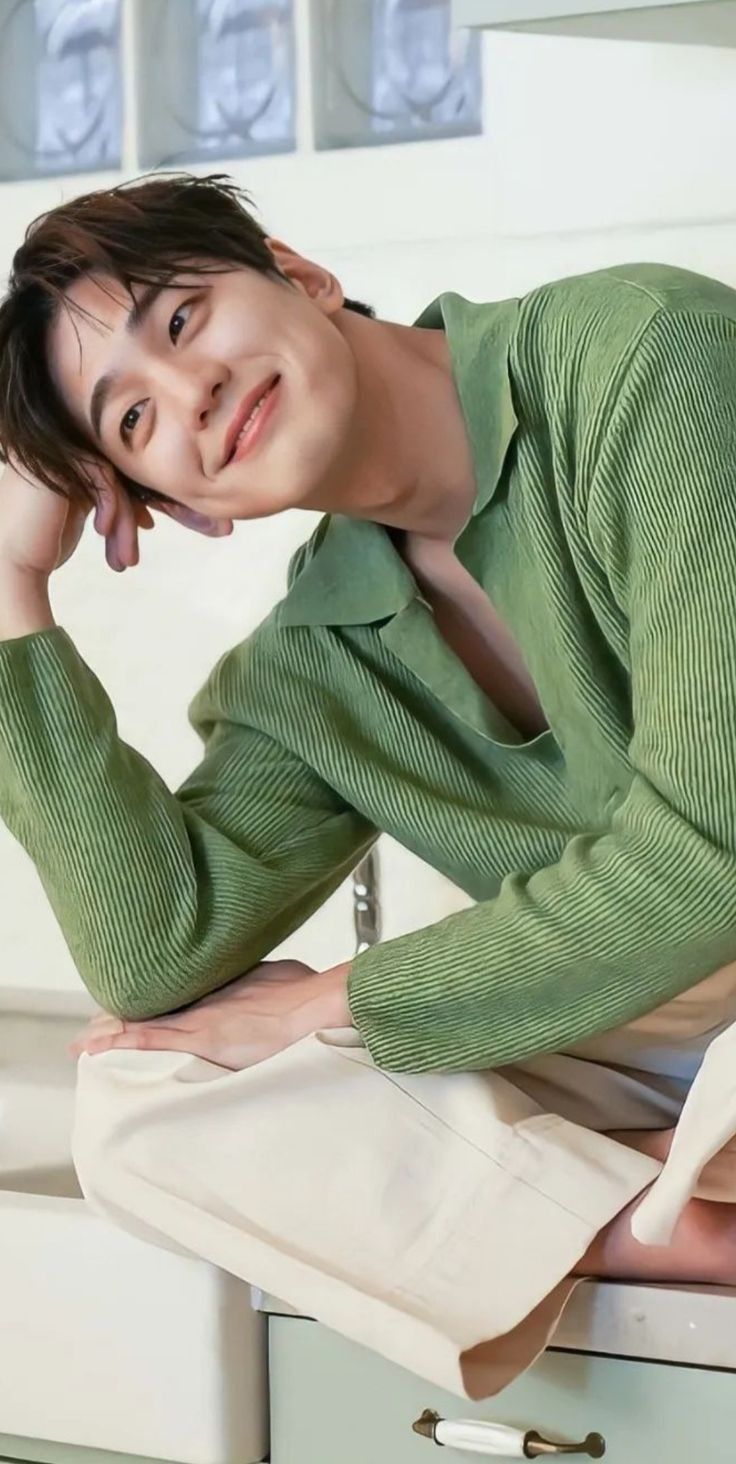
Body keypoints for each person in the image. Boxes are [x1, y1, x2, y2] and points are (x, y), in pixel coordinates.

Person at [1, 172, 735, 1398]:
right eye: (133, 425)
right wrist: (10, 594)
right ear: (177, 507)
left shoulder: (642, 360)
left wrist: (326, 1002)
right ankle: (672, 1224)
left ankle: (622, 1183)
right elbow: (155, 959)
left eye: (182, 321)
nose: (193, 395)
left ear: (298, 273)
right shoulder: (319, 658)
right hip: (662, 1037)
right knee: (137, 1101)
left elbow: (715, 850)